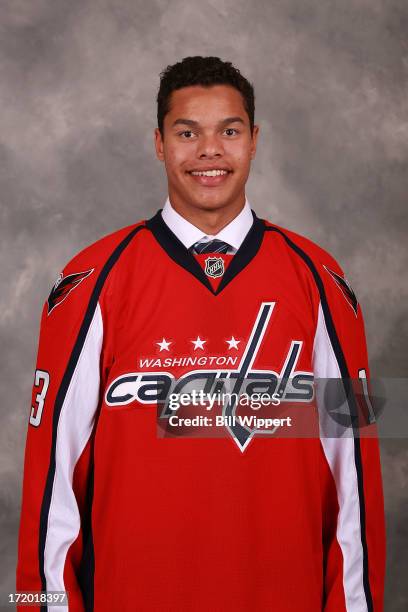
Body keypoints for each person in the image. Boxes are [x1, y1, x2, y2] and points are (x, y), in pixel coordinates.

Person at [16, 56, 385, 611]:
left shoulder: (321, 283)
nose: (209, 150)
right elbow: (51, 487)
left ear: (254, 141)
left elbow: (354, 475)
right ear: (159, 143)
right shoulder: (91, 281)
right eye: (187, 132)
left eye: (229, 131)